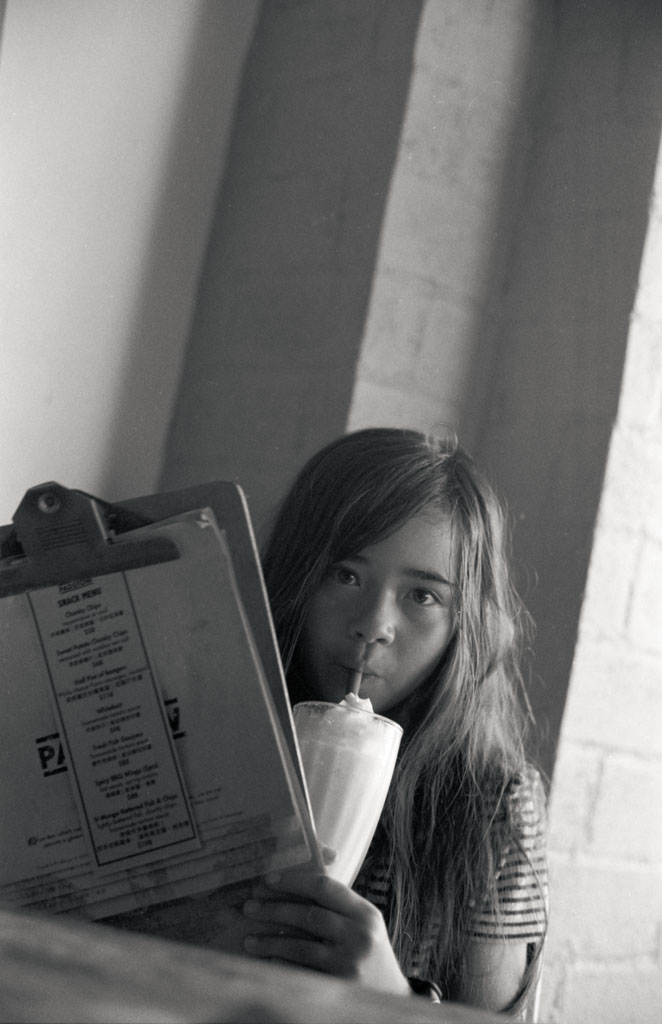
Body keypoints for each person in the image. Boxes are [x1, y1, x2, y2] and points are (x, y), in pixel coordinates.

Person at [242, 427, 548, 1017]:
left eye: (422, 596)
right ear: (296, 576)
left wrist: (393, 999)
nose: (374, 624)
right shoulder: (206, 741)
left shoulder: (491, 805)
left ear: (464, 623)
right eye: (345, 575)